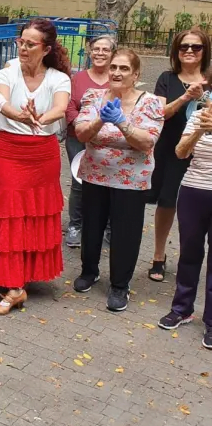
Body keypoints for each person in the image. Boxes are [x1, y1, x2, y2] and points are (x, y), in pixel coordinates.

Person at [0, 19, 71, 315]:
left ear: (46, 49)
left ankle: (22, 275)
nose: (23, 48)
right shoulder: (8, 71)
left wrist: (41, 119)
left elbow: (61, 107)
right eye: (21, 42)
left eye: (30, 44)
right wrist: (19, 115)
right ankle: (14, 286)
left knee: (34, 212)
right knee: (10, 212)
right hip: (9, 150)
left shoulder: (59, 78)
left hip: (43, 153)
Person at [73, 49, 164, 311]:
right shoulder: (94, 96)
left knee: (126, 233)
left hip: (131, 180)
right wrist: (101, 118)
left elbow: (147, 142)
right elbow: (80, 132)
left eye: (124, 68)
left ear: (135, 74)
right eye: (113, 67)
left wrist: (123, 123)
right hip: (95, 173)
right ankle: (89, 272)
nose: (116, 72)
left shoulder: (151, 103)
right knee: (91, 227)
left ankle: (120, 285)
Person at [147, 28, 211, 282]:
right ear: (176, 51)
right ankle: (159, 256)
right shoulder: (167, 78)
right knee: (167, 203)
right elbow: (158, 114)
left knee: (198, 206)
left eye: (196, 47)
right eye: (184, 46)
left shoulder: (210, 78)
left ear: (205, 51)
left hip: (205, 155)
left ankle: (190, 259)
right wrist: (186, 97)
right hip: (170, 150)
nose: (189, 51)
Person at [158, 101, 212, 349]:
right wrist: (200, 131)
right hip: (193, 190)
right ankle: (182, 309)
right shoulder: (199, 116)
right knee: (189, 251)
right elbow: (181, 153)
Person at [63, 36, 113, 248]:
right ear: (90, 53)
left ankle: (110, 227)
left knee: (110, 182)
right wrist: (82, 126)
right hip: (78, 138)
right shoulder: (78, 79)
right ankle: (75, 225)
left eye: (105, 50)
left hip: (110, 141)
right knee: (79, 183)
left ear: (112, 54)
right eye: (96, 49)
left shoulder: (118, 77)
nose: (100, 53)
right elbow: (69, 106)